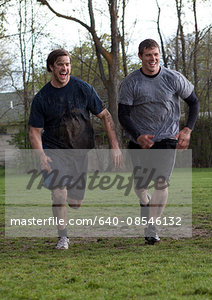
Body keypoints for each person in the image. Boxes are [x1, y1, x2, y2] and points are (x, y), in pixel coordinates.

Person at [29, 48, 123, 249]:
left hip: (79, 152)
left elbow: (105, 116)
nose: (65, 68)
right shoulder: (42, 98)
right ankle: (63, 237)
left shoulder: (83, 89)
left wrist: (114, 145)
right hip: (54, 152)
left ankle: (66, 220)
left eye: (67, 64)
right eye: (60, 64)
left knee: (75, 203)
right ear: (51, 68)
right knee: (58, 192)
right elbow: (34, 131)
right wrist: (41, 156)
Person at [118, 38, 199, 245]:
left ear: (159, 54)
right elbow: (123, 115)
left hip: (166, 139)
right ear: (140, 57)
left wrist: (187, 129)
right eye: (148, 55)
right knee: (140, 187)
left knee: (161, 183)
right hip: (140, 142)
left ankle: (151, 227)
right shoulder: (131, 82)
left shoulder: (173, 78)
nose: (152, 59)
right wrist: (137, 135)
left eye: (155, 54)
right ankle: (145, 203)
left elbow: (193, 101)